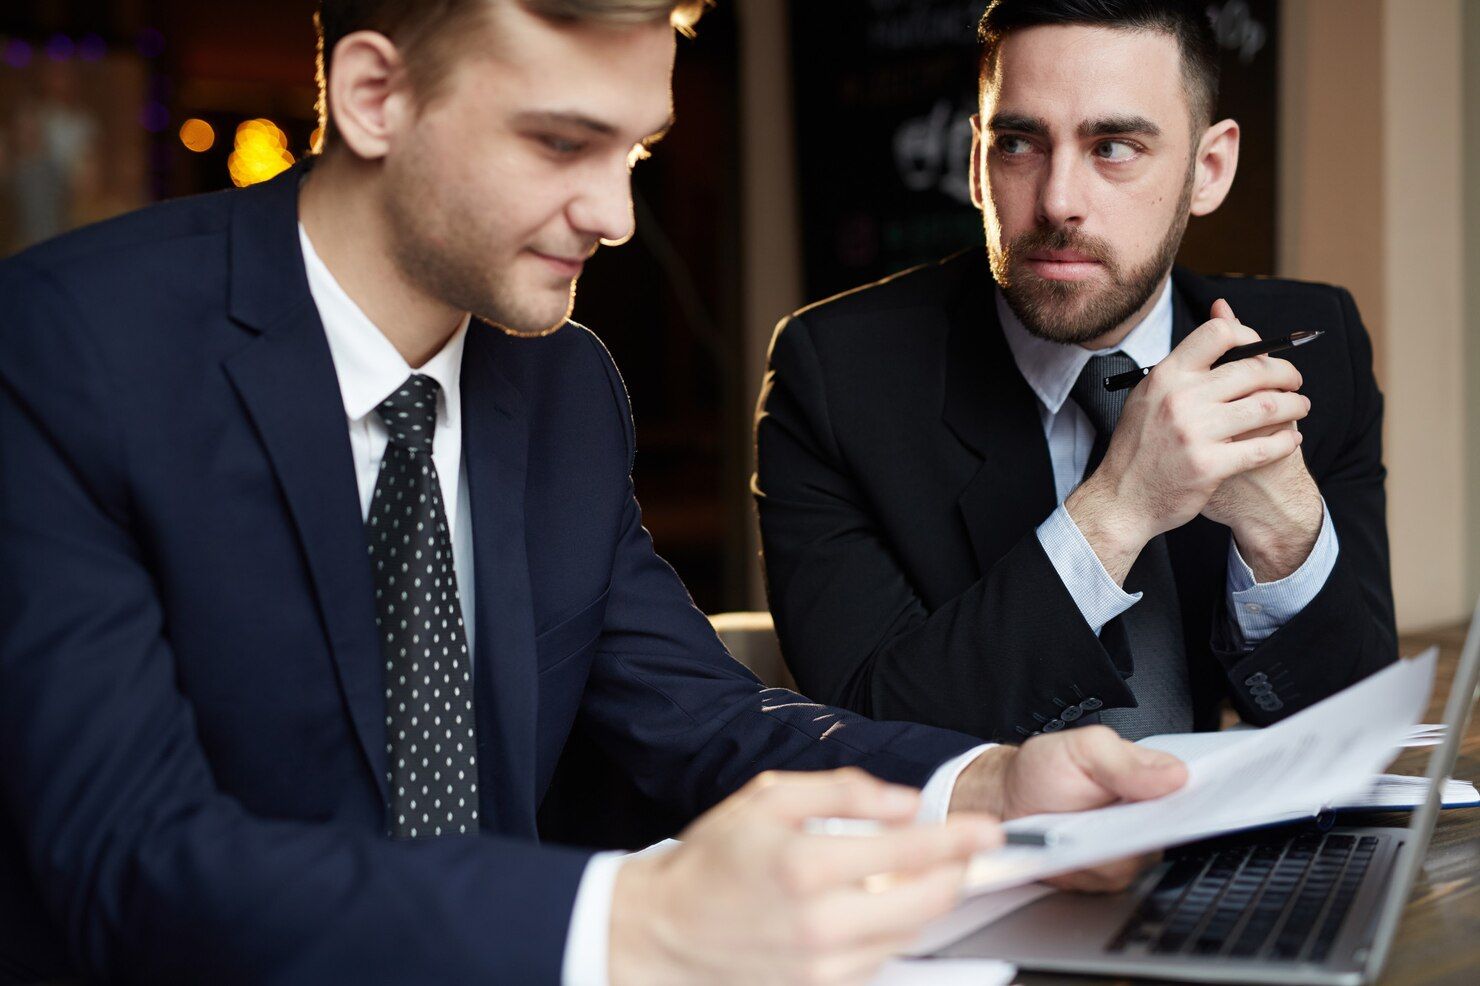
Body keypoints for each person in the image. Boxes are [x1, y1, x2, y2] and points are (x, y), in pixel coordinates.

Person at [0, 2, 1190, 984]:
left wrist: (979, 782)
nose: (616, 216)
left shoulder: (563, 382)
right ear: (375, 97)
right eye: (562, 145)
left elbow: (701, 718)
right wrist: (632, 922)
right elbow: (127, 863)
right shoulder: (68, 351)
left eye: (636, 153)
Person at [755, 0, 1396, 745]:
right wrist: (1120, 509)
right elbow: (870, 726)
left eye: (1114, 147)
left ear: (1208, 169)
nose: (1058, 200)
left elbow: (1364, 733)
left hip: (1244, 850)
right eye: (1020, 144)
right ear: (975, 165)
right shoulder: (837, 376)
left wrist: (1284, 540)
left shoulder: (1309, 349)